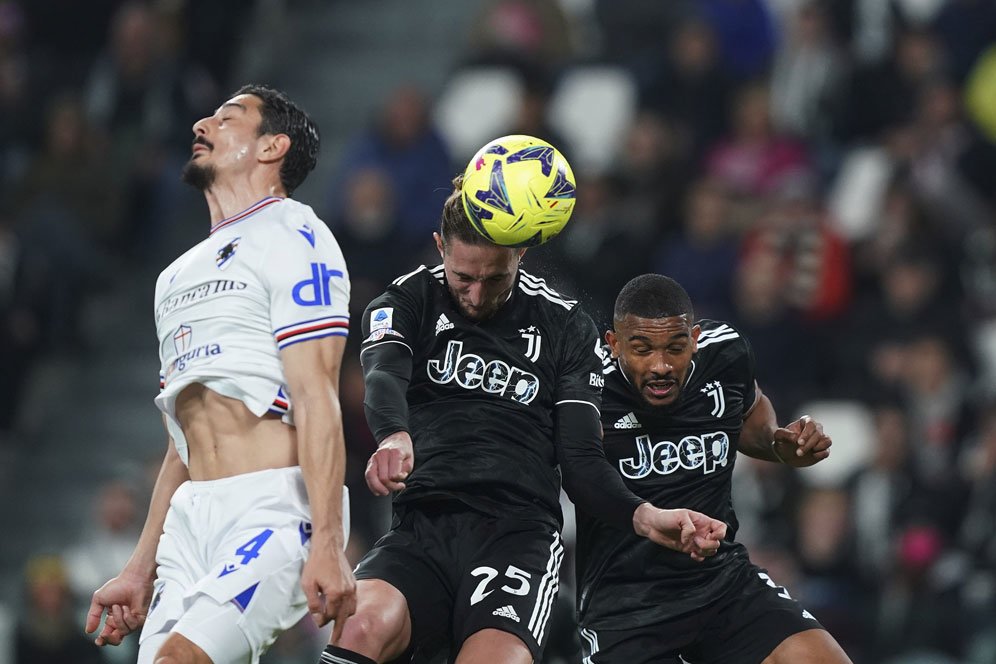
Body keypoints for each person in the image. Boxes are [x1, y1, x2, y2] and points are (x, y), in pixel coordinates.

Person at [319, 178, 726, 664]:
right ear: (439, 246)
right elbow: (384, 371)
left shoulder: (565, 326)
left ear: (520, 256)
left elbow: (579, 458)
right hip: (422, 526)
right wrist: (394, 435)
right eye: (462, 277)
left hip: (518, 535)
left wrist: (645, 515)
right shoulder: (407, 300)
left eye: (493, 279)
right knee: (359, 626)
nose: (473, 294)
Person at [84, 84, 356, 663]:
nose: (202, 124)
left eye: (228, 117)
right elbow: (181, 444)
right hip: (190, 522)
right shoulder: (174, 277)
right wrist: (140, 565)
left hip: (273, 510)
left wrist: (330, 542)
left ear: (271, 148)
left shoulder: (298, 237)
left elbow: (316, 396)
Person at [576, 273, 853, 663]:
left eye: (675, 347)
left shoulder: (726, 355)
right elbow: (575, 474)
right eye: (642, 349)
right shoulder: (584, 388)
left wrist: (779, 443)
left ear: (695, 339)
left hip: (720, 582)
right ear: (614, 344)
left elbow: (752, 412)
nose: (660, 365)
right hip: (627, 603)